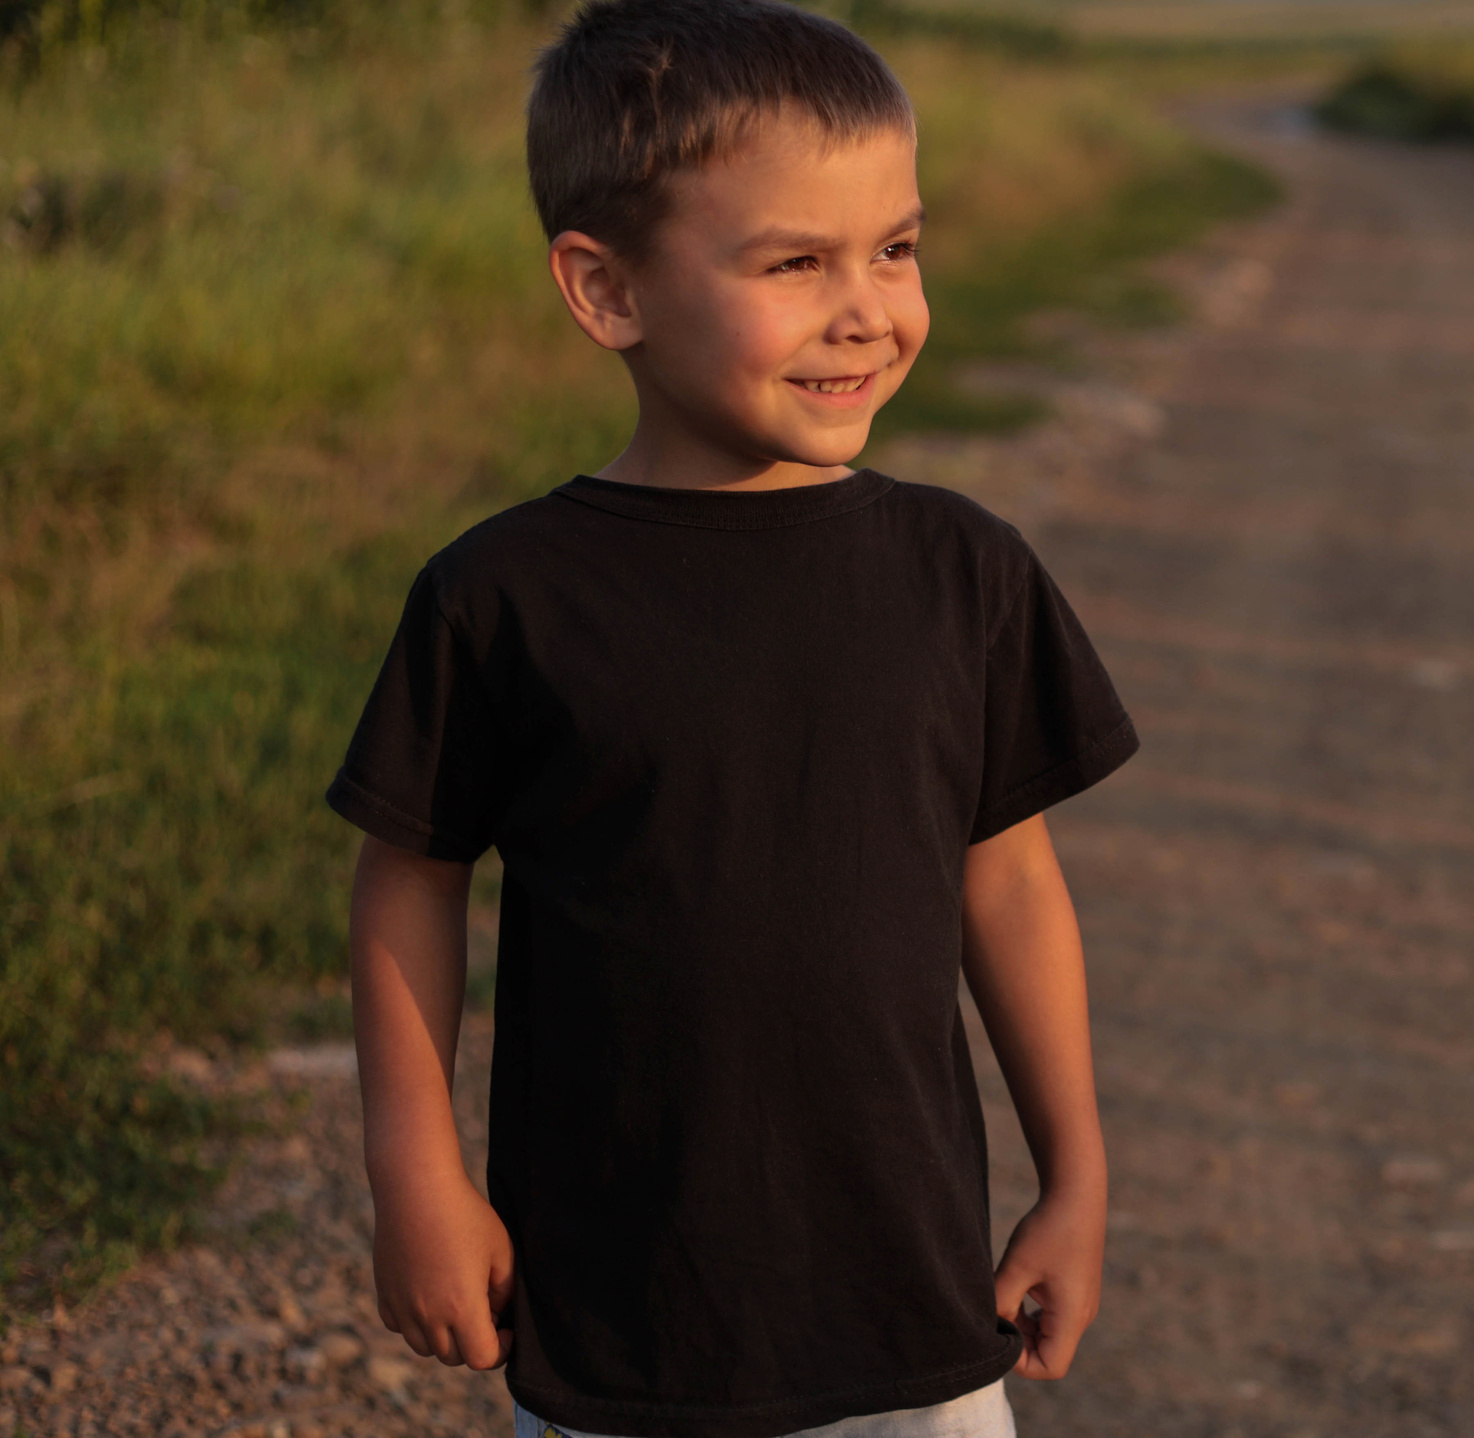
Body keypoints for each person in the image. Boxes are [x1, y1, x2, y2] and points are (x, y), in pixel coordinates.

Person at [329, 2, 1138, 1434]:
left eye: (896, 246)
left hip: (913, 1310)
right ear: (608, 291)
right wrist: (416, 1170)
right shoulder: (506, 597)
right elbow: (410, 873)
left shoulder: (962, 572)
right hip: (626, 1314)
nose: (868, 308)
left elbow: (1006, 878)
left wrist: (1074, 1176)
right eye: (795, 262)